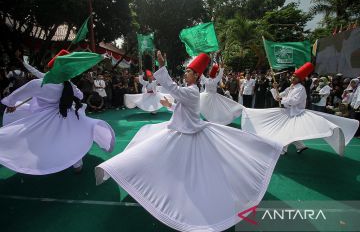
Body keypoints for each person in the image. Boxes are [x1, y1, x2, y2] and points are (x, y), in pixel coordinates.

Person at [95, 51, 283, 232]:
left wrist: (162, 67)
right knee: (156, 148)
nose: (185, 73)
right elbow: (181, 104)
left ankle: (188, 202)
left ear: (196, 76)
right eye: (186, 71)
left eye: (188, 72)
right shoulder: (190, 91)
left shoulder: (192, 91)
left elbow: (174, 89)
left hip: (187, 135)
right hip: (181, 132)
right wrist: (170, 106)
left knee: (193, 172)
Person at [0, 50, 115, 175]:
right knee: (70, 138)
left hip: (46, 116)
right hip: (66, 115)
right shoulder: (67, 84)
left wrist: (11, 104)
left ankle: (48, 157)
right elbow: (80, 96)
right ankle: (77, 163)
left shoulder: (39, 83)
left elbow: (19, 93)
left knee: (43, 136)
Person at [241, 62, 359, 156]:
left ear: (299, 79)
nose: (292, 78)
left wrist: (282, 100)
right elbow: (282, 94)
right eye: (292, 76)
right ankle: (300, 146)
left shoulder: (300, 89)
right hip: (290, 112)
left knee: (288, 131)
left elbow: (294, 101)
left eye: (295, 77)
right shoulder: (292, 87)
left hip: (297, 113)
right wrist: (275, 89)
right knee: (291, 131)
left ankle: (284, 149)